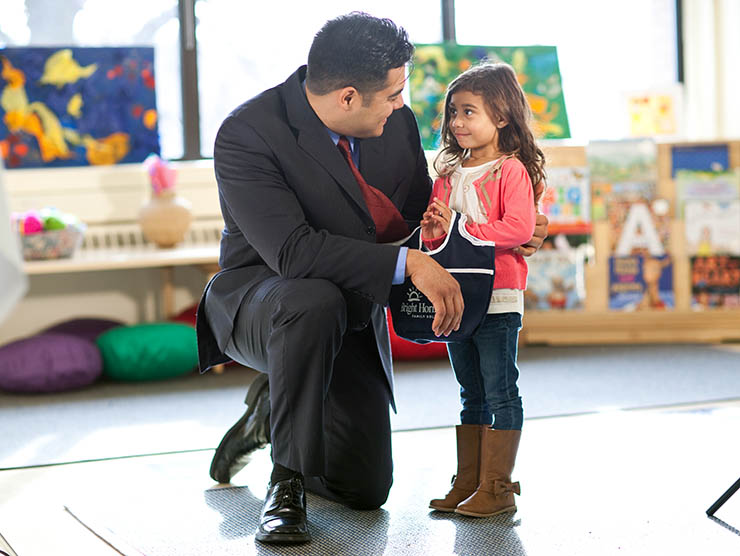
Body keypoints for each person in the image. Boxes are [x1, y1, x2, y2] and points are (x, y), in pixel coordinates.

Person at [196, 13, 548, 544]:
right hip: (263, 299)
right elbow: (292, 251)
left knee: (364, 488)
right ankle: (284, 483)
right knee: (310, 298)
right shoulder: (248, 134)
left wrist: (500, 230)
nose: (401, 105)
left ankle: (274, 412)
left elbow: (415, 213)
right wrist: (410, 265)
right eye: (392, 94)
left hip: (351, 302)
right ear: (346, 97)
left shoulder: (393, 125)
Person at [422, 62, 545, 518]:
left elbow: (518, 227)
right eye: (453, 111)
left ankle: (497, 488)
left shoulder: (510, 171)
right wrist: (435, 231)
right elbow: (438, 239)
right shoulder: (448, 173)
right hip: (457, 297)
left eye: (469, 112)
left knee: (500, 390)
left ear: (502, 116)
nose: (457, 122)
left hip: (498, 297)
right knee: (469, 391)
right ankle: (470, 481)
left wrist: (462, 227)